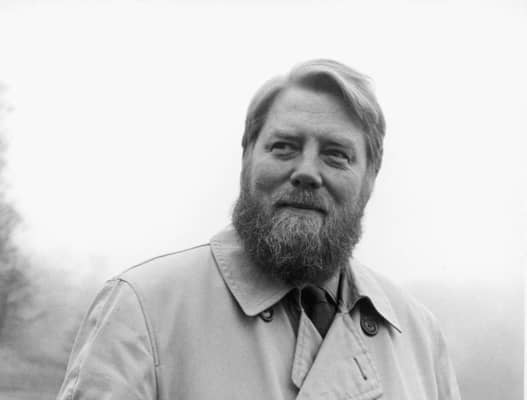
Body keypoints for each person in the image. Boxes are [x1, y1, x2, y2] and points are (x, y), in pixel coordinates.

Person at [57, 59, 462, 399]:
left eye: (336, 154)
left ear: (371, 177)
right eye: (284, 146)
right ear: (247, 158)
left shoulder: (421, 338)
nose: (306, 172)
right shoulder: (142, 310)